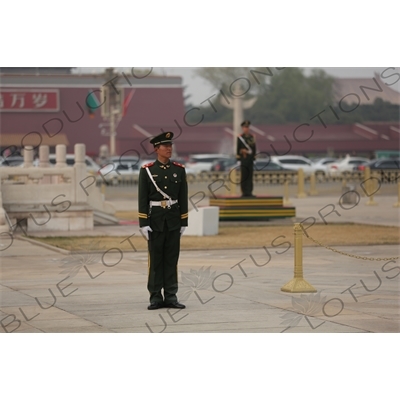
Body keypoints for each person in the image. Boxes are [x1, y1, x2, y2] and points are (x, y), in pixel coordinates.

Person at [138, 131, 188, 310]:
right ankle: (155, 297)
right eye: (165, 146)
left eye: (170, 145)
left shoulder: (179, 170)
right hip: (156, 221)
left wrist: (184, 221)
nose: (169, 148)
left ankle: (171, 296)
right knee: (156, 260)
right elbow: (142, 198)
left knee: (171, 259)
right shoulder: (148, 170)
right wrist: (143, 223)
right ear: (156, 149)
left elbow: (183, 197)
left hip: (173, 220)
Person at [236, 120, 256, 197]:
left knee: (250, 176)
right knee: (244, 176)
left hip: (250, 159)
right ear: (242, 128)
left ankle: (249, 191)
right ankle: (244, 192)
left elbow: (254, 148)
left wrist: (254, 158)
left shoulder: (252, 137)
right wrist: (238, 159)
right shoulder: (240, 138)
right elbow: (238, 148)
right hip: (243, 159)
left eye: (247, 127)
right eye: (245, 127)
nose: (246, 129)